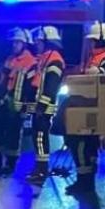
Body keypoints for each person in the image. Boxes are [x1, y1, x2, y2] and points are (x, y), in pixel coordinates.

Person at [66, 21, 105, 209]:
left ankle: (86, 183)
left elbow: (103, 76)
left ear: (100, 41)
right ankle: (84, 182)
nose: (90, 44)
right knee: (81, 144)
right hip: (88, 105)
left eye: (92, 41)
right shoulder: (95, 57)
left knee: (82, 144)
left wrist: (93, 72)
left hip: (97, 107)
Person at [0, 27, 37, 177]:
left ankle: (10, 165)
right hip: (3, 102)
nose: (14, 45)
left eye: (17, 43)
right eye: (13, 43)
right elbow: (2, 79)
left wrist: (25, 108)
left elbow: (30, 88)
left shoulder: (31, 62)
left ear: (24, 44)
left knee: (13, 135)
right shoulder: (10, 59)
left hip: (17, 105)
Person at [26, 26, 66, 184]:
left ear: (47, 42)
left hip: (45, 108)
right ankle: (39, 168)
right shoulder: (44, 58)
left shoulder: (55, 60)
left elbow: (51, 86)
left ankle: (42, 170)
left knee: (41, 137)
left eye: (39, 42)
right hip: (39, 106)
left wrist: (42, 106)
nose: (37, 45)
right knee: (37, 137)